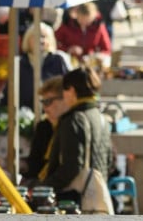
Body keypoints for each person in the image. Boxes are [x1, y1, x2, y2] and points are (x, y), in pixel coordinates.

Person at [40, 67, 114, 206]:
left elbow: (72, 166)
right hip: (97, 195)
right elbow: (110, 160)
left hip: (75, 198)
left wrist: (47, 186)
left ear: (72, 91)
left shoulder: (73, 120)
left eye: (65, 91)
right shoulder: (101, 117)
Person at [0, 22, 70, 110]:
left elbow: (69, 87)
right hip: (24, 115)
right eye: (36, 36)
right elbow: (8, 93)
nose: (40, 40)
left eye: (44, 37)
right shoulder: (19, 63)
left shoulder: (58, 60)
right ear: (28, 39)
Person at [22, 76, 69, 187]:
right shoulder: (43, 127)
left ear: (65, 100)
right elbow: (34, 163)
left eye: (48, 101)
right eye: (42, 102)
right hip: (44, 186)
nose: (44, 107)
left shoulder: (73, 127)